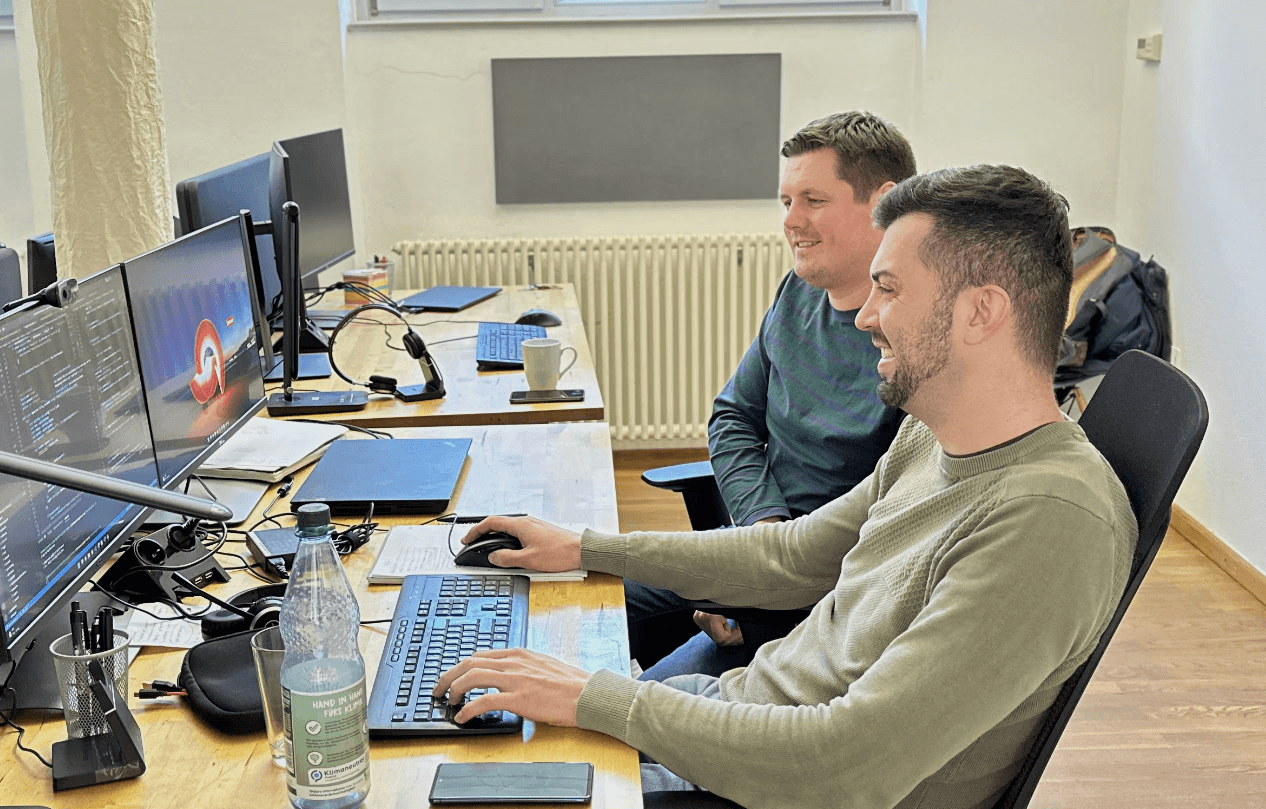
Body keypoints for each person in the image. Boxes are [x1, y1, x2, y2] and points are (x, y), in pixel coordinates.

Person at [435, 164, 1138, 809]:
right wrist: (584, 546)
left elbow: (842, 765)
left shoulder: (1051, 521)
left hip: (762, 784)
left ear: (980, 312)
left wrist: (600, 699)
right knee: (460, 730)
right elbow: (793, 557)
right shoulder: (935, 434)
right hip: (733, 722)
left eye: (888, 288)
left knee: (447, 781)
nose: (864, 315)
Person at [628, 111, 916, 679]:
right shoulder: (798, 293)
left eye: (813, 200)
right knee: (573, 598)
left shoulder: (918, 336)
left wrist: (753, 580)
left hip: (826, 593)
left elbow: (897, 526)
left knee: (626, 715)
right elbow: (733, 417)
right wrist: (758, 529)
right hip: (759, 550)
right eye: (786, 202)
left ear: (885, 203)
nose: (792, 222)